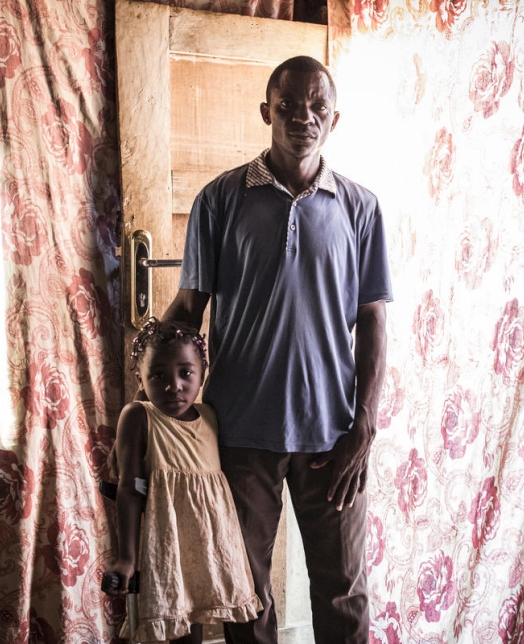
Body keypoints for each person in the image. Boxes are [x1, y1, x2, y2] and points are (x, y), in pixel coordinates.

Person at [163, 55, 392, 643]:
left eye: (317, 107)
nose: (302, 118)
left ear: (334, 119)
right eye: (288, 106)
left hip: (333, 436)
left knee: (343, 592)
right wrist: (155, 397)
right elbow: (189, 310)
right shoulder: (220, 199)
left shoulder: (360, 209)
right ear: (266, 111)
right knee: (246, 596)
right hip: (242, 432)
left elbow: (372, 322)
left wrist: (364, 425)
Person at [104, 318, 263, 644]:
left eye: (185, 373)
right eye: (158, 375)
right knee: (158, 628)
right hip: (166, 546)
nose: (173, 385)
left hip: (207, 548)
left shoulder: (211, 417)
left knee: (194, 631)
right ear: (140, 377)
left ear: (203, 374)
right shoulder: (138, 416)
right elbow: (128, 490)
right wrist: (127, 558)